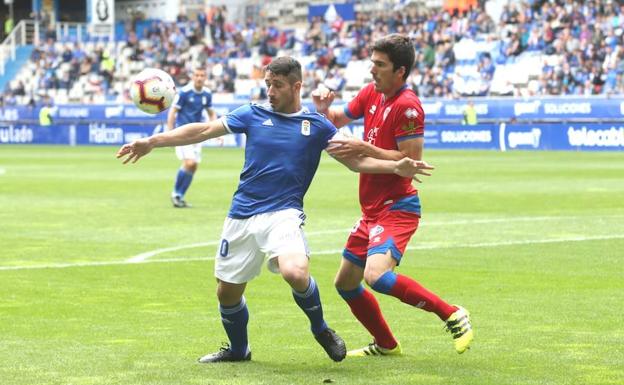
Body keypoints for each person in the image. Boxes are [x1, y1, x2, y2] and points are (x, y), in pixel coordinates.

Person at [116, 56, 435, 363]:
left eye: (278, 85)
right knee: (226, 294)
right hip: (241, 215)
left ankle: (321, 329)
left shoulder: (316, 125)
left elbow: (355, 161)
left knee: (295, 271)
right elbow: (201, 130)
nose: (270, 91)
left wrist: (394, 168)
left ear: (296, 87)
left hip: (283, 214)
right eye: (268, 84)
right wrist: (152, 141)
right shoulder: (251, 114)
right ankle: (239, 350)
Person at [312, 34, 474, 357]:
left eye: (380, 65)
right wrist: (323, 110)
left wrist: (363, 147)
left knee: (376, 275)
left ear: (400, 71)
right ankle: (386, 345)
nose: (372, 70)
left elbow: (409, 164)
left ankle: (452, 313)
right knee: (345, 283)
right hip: (371, 210)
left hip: (397, 208)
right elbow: (337, 121)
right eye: (372, 63)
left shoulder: (408, 107)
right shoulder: (371, 92)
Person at [166, 66, 216, 208]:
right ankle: (175, 194)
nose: (199, 78)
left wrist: (216, 129)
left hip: (197, 135)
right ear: (192, 77)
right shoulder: (184, 92)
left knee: (193, 167)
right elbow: (172, 112)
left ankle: (179, 196)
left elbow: (212, 113)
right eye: (197, 75)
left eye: (202, 75)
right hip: (182, 134)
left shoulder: (207, 93)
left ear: (205, 77)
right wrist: (170, 133)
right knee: (190, 163)